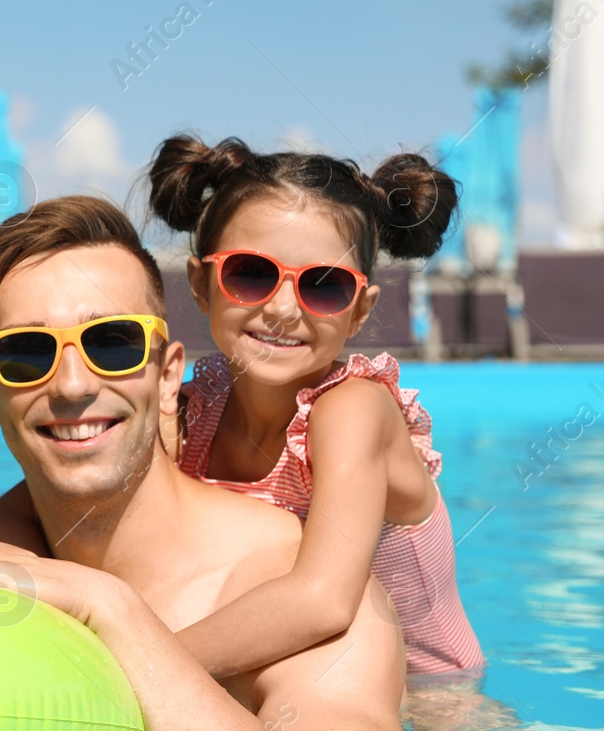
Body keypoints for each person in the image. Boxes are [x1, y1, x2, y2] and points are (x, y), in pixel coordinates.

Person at [0, 196, 411, 731]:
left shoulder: (291, 593)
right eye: (26, 354)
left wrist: (115, 612)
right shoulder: (3, 554)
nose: (72, 386)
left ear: (169, 375)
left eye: (112, 343)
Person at [146, 134, 483, 679]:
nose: (281, 309)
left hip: (438, 713)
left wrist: (131, 673)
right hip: (275, 681)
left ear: (358, 312)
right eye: (250, 274)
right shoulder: (192, 415)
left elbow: (322, 600)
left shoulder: (354, 410)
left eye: (323, 287)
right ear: (200, 284)